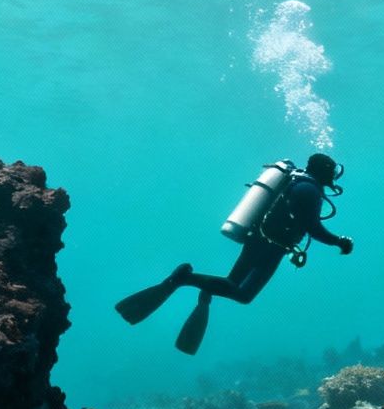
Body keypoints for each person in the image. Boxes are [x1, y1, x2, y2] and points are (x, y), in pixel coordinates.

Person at [115, 152, 354, 354]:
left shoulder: (298, 183)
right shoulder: (308, 190)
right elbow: (313, 227)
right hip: (270, 246)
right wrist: (339, 242)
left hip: (259, 239)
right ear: (323, 171)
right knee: (244, 294)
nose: (334, 177)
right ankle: (186, 279)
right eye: (332, 171)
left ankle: (194, 283)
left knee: (232, 284)